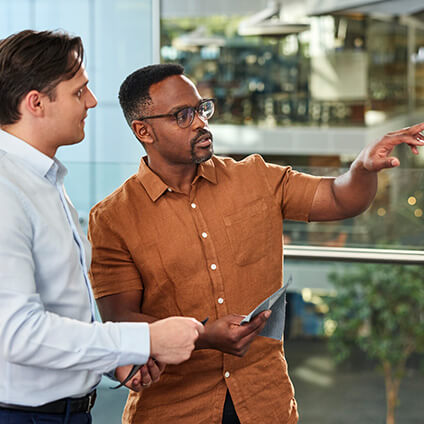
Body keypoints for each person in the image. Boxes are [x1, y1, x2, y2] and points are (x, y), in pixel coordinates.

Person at [88, 63, 424, 424]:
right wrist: (203, 336)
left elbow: (340, 198)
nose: (201, 123)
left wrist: (362, 168)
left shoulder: (256, 177)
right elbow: (121, 322)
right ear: (144, 130)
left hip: (265, 403)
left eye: (202, 109)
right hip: (173, 410)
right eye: (182, 115)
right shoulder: (113, 218)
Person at [0, 32, 204, 424]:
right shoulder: (7, 190)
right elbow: (17, 334)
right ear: (36, 103)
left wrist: (116, 360)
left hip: (65, 411)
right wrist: (145, 338)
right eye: (79, 93)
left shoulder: (43, 179)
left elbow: (63, 310)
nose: (92, 102)